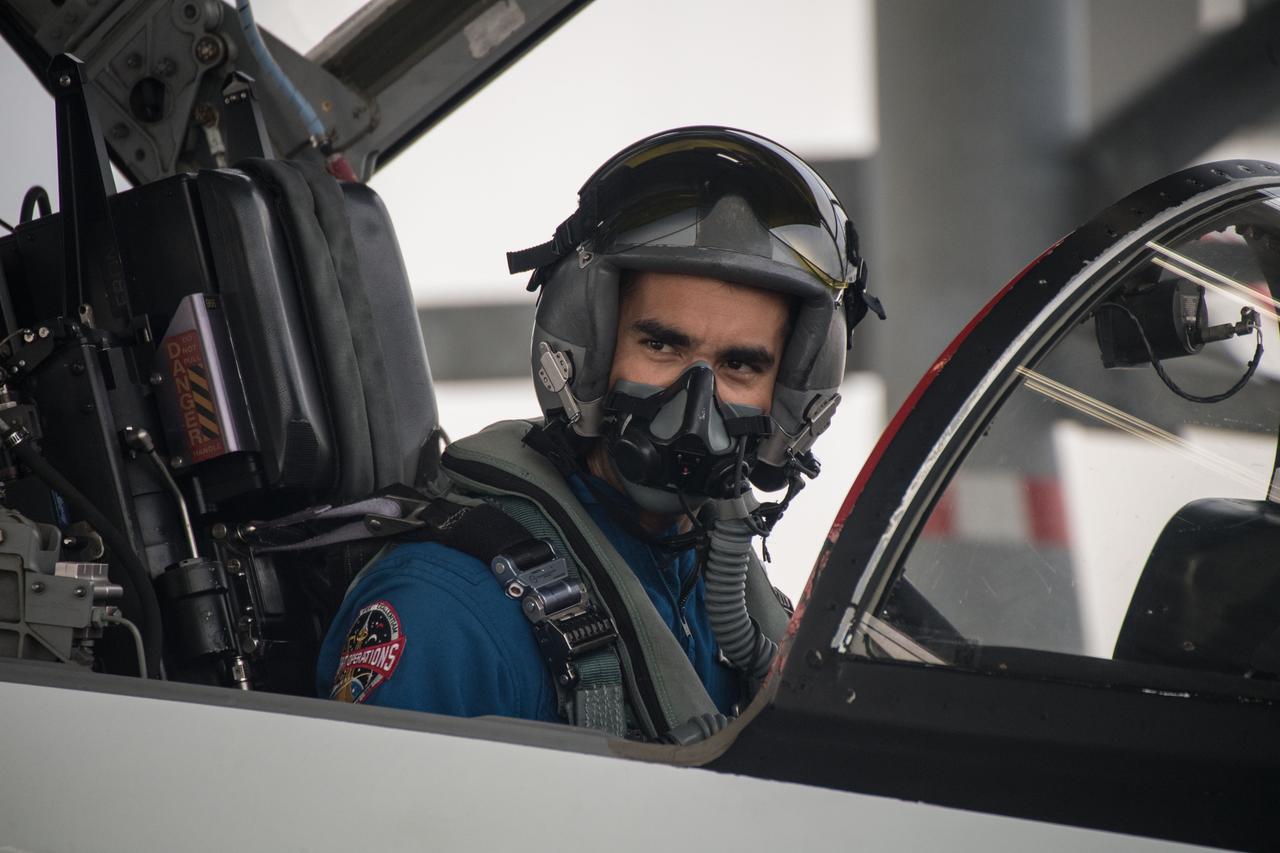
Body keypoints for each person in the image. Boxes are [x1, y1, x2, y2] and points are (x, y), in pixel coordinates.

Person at [317, 126, 883, 742]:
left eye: (740, 364)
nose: (697, 407)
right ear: (589, 351)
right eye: (662, 344)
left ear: (791, 393)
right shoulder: (448, 613)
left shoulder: (727, 599)